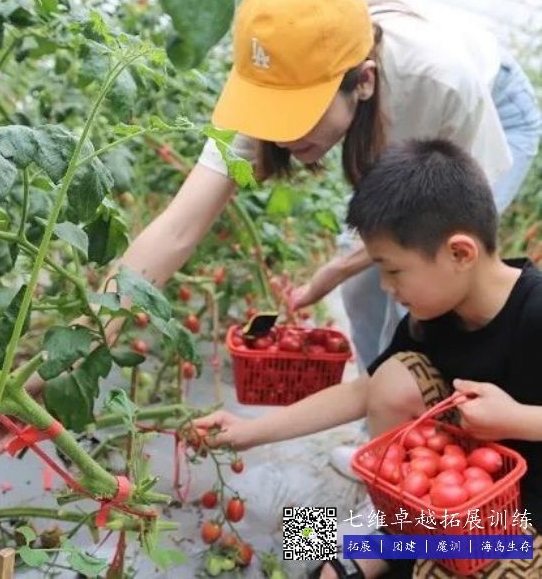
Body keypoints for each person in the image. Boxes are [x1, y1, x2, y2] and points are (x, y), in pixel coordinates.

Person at [97, 0, 541, 473]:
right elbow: (178, 228)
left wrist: (520, 419)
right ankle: (392, 447)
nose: (282, 136)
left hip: (494, 104)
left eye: (300, 113)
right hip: (424, 521)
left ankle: (445, 446)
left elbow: (455, 228)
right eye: (274, 113)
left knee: (432, 301)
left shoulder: (439, 81)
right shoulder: (274, 77)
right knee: (378, 307)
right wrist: (88, 333)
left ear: (363, 81)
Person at [193, 138, 542, 579]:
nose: (385, 286)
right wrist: (249, 431)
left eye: (393, 270)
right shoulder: (433, 315)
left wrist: (517, 420)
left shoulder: (535, 311)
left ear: (460, 253)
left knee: (442, 563)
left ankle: (389, 546)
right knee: (394, 379)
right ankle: (388, 531)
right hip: (449, 490)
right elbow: (366, 390)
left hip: (525, 512)